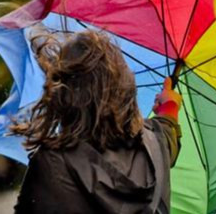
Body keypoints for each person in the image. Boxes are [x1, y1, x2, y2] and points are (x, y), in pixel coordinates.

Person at [12, 31, 183, 214]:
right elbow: (167, 131)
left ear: (63, 95)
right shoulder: (155, 144)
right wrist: (170, 107)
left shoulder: (52, 163)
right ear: (126, 89)